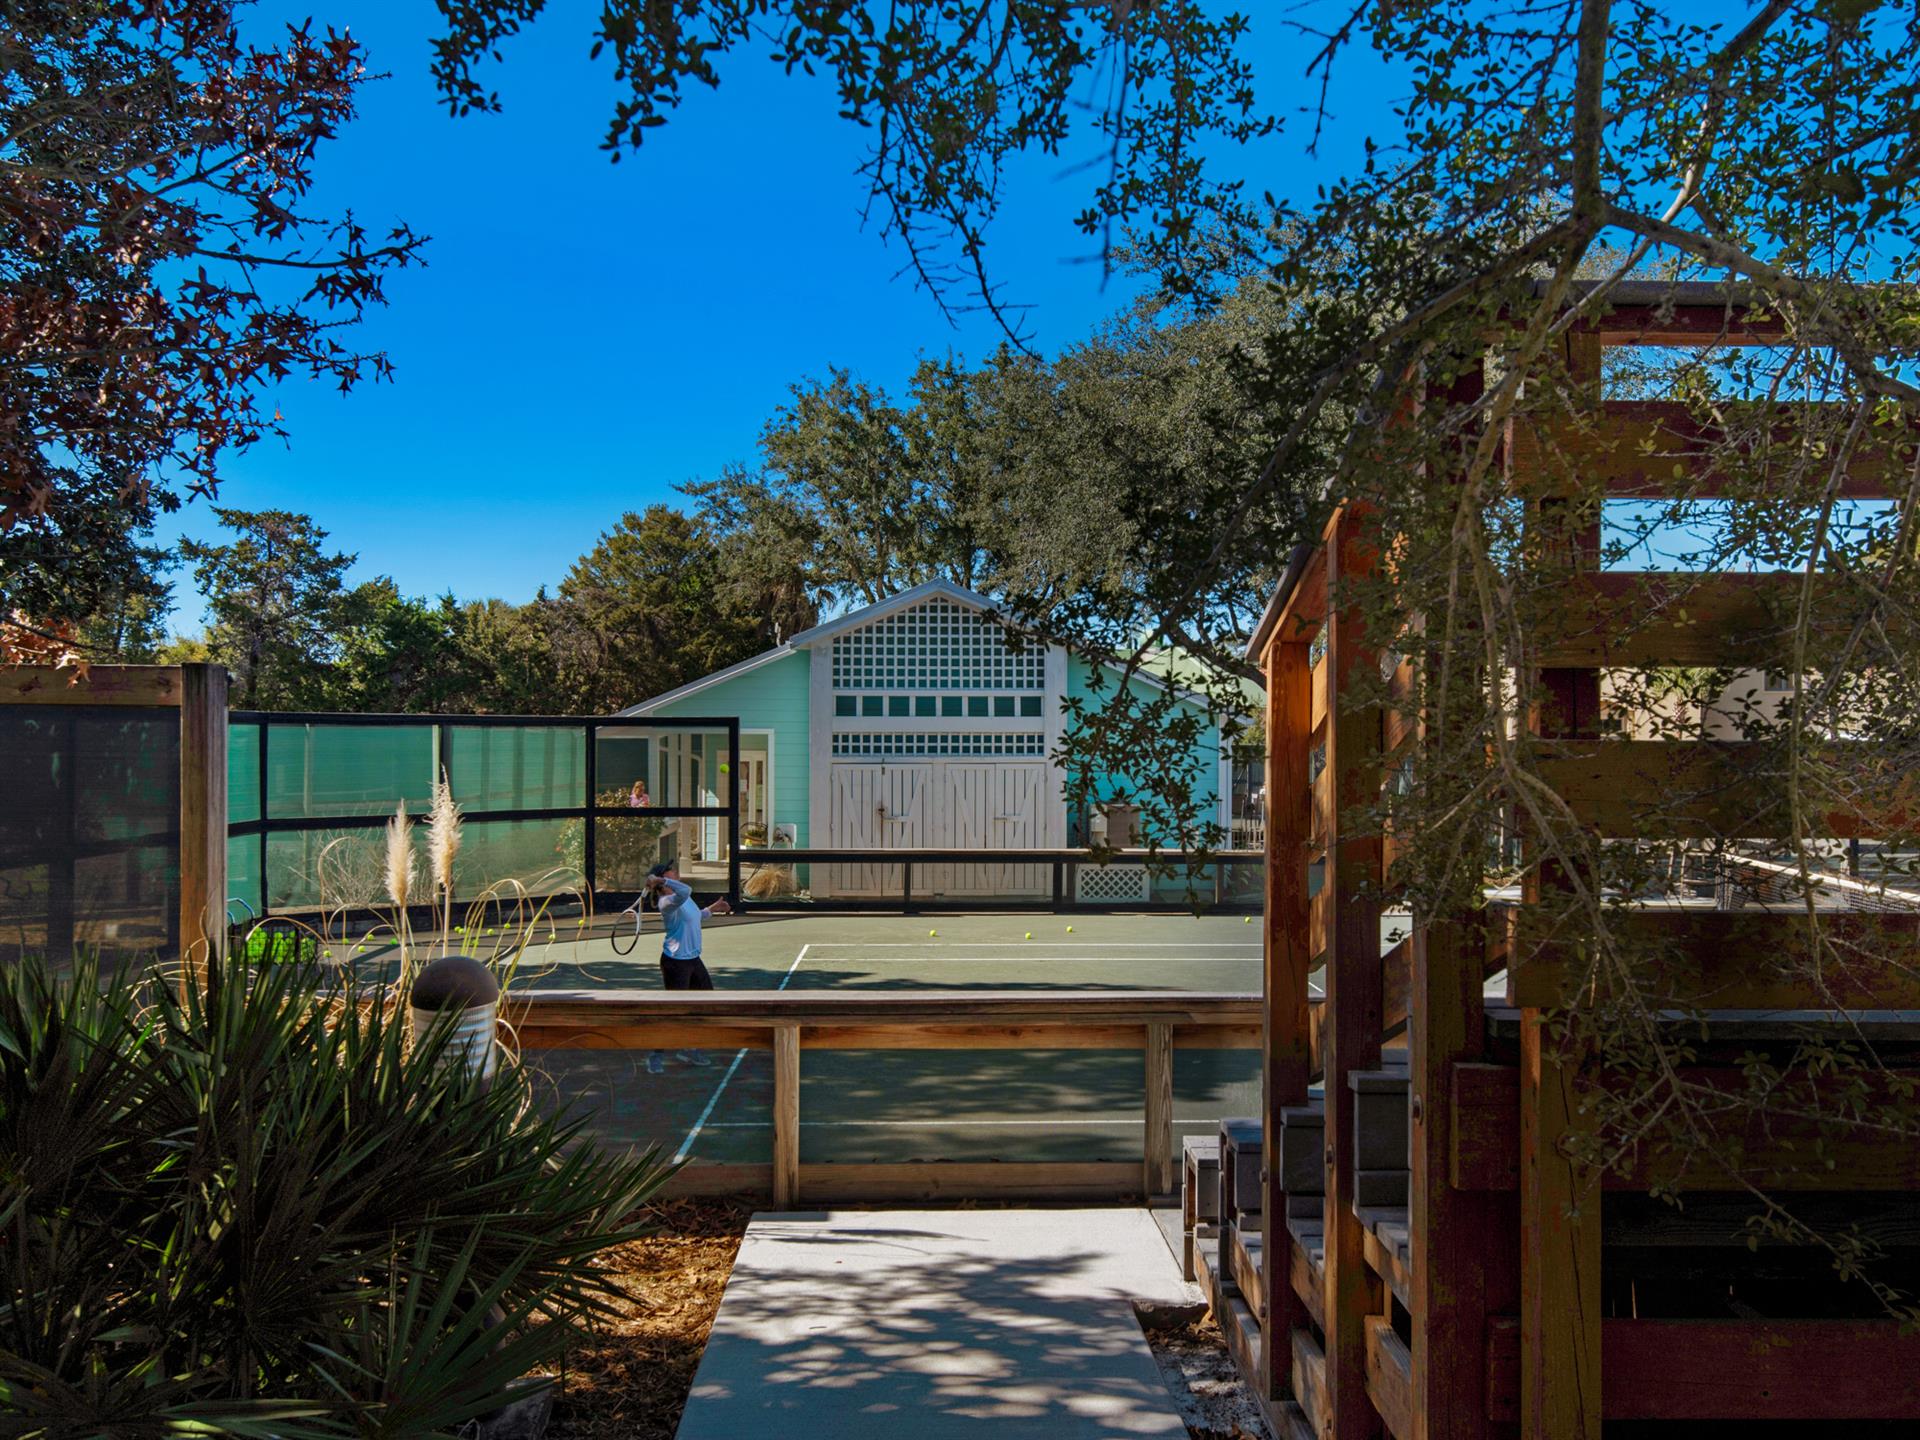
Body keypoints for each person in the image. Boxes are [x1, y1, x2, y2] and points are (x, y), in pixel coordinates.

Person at [643, 860, 731, 1073]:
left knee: (706, 1002)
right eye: (670, 870)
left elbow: (695, 917)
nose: (676, 871)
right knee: (674, 1011)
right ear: (663, 880)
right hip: (675, 963)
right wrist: (660, 881)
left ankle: (690, 1047)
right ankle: (656, 1054)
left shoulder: (683, 898)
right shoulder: (667, 902)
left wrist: (713, 909)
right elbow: (686, 890)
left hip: (693, 960)